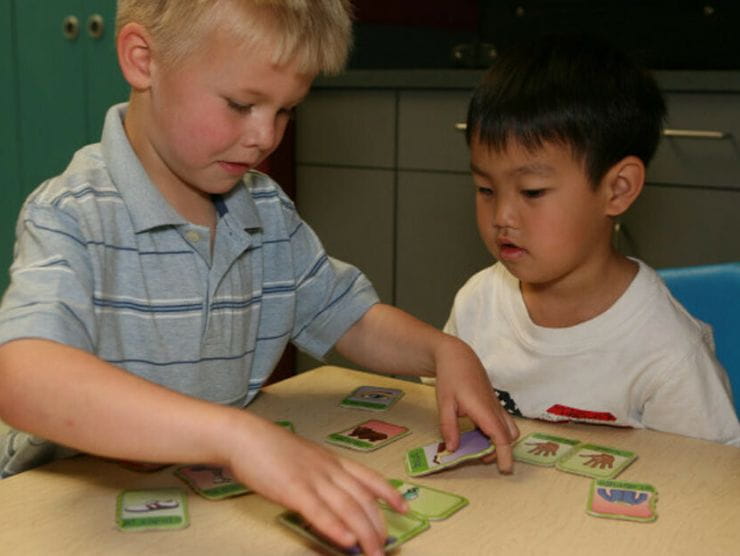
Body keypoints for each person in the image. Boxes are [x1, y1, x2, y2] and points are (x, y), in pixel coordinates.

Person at [0, 1, 519, 554]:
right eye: (242, 104)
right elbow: (22, 376)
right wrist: (236, 438)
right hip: (64, 510)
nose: (265, 137)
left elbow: (347, 316)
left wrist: (440, 352)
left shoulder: (264, 211)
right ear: (142, 59)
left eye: (286, 111)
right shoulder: (70, 213)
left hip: (198, 501)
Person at [446, 33, 740, 446]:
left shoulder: (669, 354)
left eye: (531, 192)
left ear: (617, 189)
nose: (502, 217)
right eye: (485, 189)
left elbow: (710, 485)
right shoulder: (478, 301)